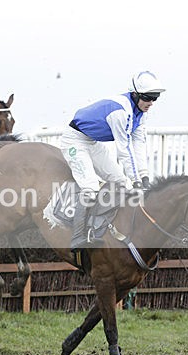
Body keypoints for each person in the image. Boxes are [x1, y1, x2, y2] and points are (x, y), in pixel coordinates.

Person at [60, 70, 166, 251]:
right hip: (74, 141)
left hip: (92, 142)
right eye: (148, 97)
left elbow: (138, 145)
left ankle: (109, 228)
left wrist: (144, 176)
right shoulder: (121, 112)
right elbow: (124, 150)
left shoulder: (141, 113)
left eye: (155, 98)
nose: (151, 103)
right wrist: (136, 181)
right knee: (91, 187)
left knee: (122, 182)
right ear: (136, 94)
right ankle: (77, 237)